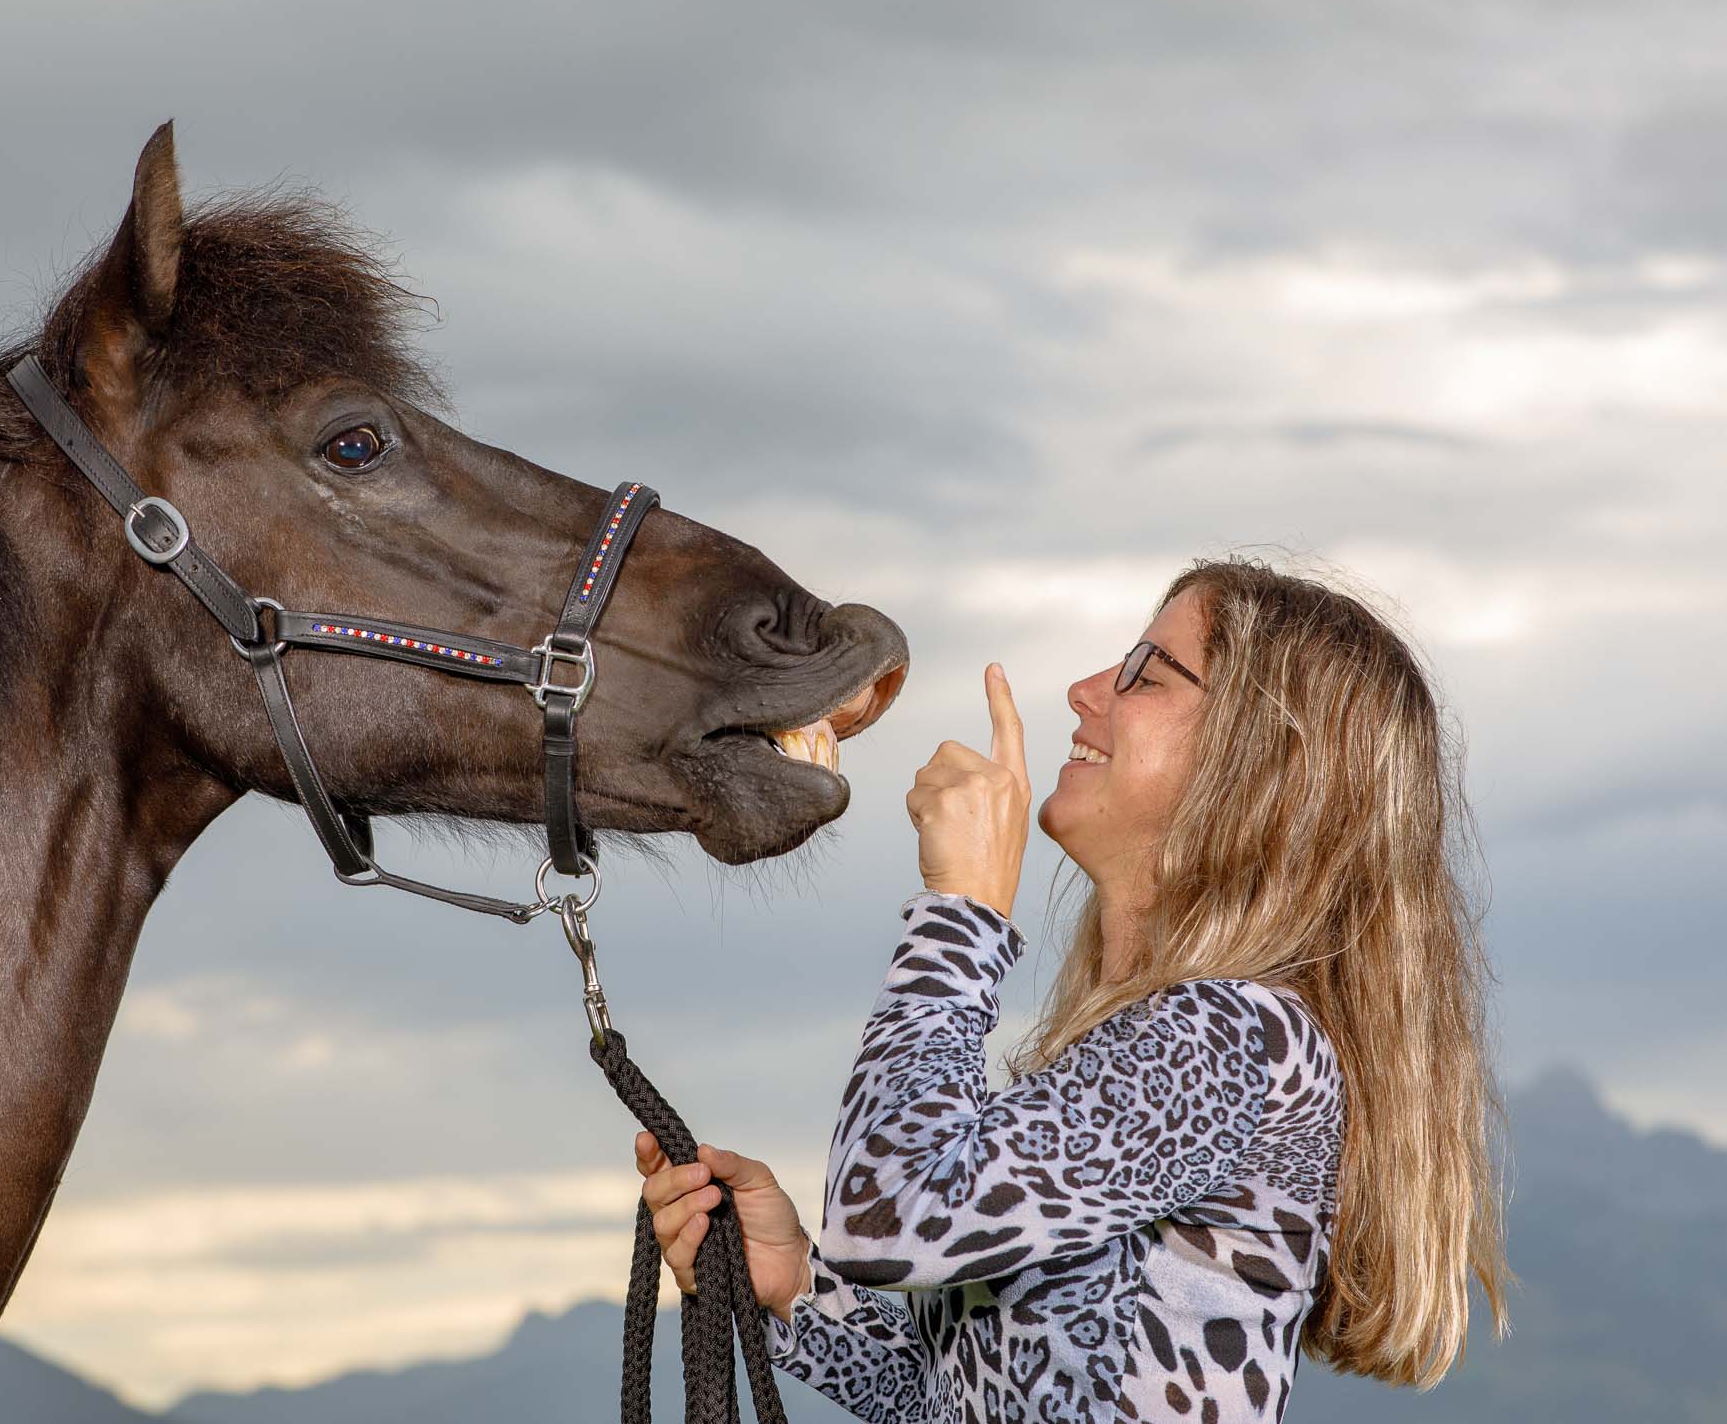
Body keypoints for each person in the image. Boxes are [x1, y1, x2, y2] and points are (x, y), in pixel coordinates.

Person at [635, 555, 1511, 1422]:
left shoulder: (1234, 1035)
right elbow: (978, 1402)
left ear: (1262, 763)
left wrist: (963, 910)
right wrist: (795, 1289)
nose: (1086, 690)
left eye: (1147, 675)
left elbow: (883, 1213)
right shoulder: (1167, 1040)